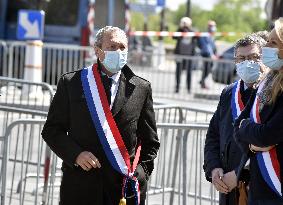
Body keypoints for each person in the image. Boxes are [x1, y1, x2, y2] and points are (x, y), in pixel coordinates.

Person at [41, 26, 160, 205]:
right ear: (98, 50)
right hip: (81, 186)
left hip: (123, 189)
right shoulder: (72, 83)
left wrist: (141, 173)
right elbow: (52, 131)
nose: (118, 52)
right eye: (112, 47)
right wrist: (76, 155)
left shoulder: (141, 88)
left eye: (122, 47)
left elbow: (150, 141)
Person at [203, 34, 268, 205]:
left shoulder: (272, 94)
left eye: (254, 57)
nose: (247, 63)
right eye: (241, 58)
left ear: (265, 58)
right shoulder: (229, 93)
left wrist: (239, 173)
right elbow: (213, 135)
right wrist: (214, 168)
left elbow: (270, 144)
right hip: (227, 188)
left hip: (261, 187)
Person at [234, 18, 283, 205]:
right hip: (259, 188)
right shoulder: (266, 82)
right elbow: (238, 125)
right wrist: (253, 144)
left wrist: (251, 132)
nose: (267, 47)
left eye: (273, 42)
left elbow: (268, 134)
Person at [173, 17, 198, 93]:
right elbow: (173, 37)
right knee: (178, 72)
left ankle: (189, 89)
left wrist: (188, 28)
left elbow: (197, 36)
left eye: (185, 23)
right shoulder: (179, 31)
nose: (184, 25)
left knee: (189, 73)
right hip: (180, 55)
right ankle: (177, 88)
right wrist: (180, 29)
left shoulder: (192, 31)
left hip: (189, 56)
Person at [198, 20, 218, 89]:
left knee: (209, 68)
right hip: (206, 54)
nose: (213, 27)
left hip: (210, 55)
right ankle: (202, 83)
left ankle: (202, 81)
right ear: (208, 26)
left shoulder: (212, 34)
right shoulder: (205, 34)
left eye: (214, 25)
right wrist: (211, 55)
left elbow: (213, 45)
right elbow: (207, 45)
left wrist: (215, 53)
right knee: (206, 69)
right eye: (212, 26)